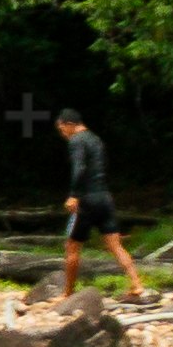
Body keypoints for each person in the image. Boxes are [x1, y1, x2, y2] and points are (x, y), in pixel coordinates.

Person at [56, 104, 141, 297]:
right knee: (115, 245)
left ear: (69, 124)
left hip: (86, 200)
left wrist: (74, 195)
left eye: (62, 130)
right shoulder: (96, 139)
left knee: (71, 246)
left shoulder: (76, 141)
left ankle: (67, 293)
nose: (63, 134)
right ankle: (136, 283)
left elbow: (79, 168)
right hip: (104, 197)